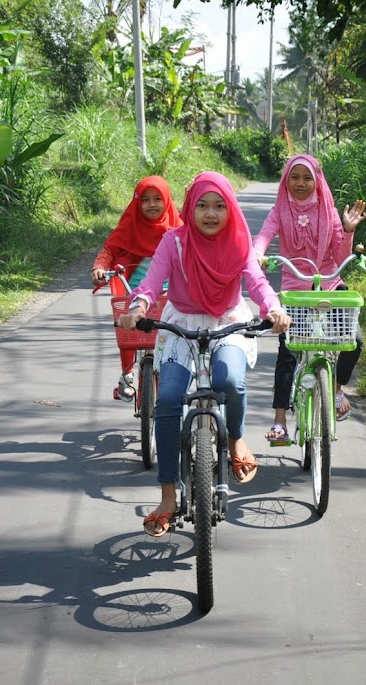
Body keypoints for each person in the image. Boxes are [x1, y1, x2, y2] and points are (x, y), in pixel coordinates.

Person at [117, 171, 292, 537]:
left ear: (230, 209)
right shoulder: (174, 241)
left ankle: (235, 439)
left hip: (227, 320)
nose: (211, 214)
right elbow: (151, 283)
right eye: (202, 205)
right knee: (166, 399)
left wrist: (272, 308)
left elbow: (256, 282)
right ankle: (167, 496)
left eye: (218, 206)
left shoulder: (239, 242)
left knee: (229, 379)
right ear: (189, 208)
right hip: (181, 321)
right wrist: (139, 306)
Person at [252, 154, 366, 444]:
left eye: (307, 178)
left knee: (355, 339)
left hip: (329, 283)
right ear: (286, 180)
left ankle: (337, 388)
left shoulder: (328, 211)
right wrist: (257, 254)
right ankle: (279, 421)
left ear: (317, 181)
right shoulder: (280, 209)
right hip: (295, 287)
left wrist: (348, 230)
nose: (300, 183)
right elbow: (264, 235)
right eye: (294, 177)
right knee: (288, 350)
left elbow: (340, 256)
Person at [92, 175, 180, 402]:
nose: (152, 204)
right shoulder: (129, 225)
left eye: (158, 199)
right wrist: (99, 268)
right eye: (146, 200)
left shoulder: (178, 228)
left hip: (171, 289)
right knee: (127, 326)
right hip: (135, 290)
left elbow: (194, 250)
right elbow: (109, 250)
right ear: (137, 203)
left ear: (167, 201)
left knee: (175, 333)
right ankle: (127, 374)